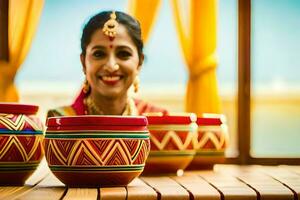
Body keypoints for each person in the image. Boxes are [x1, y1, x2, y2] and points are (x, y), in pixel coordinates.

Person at [47, 11, 168, 117]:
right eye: (99, 54)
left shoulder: (159, 123)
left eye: (123, 54)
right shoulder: (61, 122)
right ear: (83, 62)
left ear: (139, 62)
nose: (111, 66)